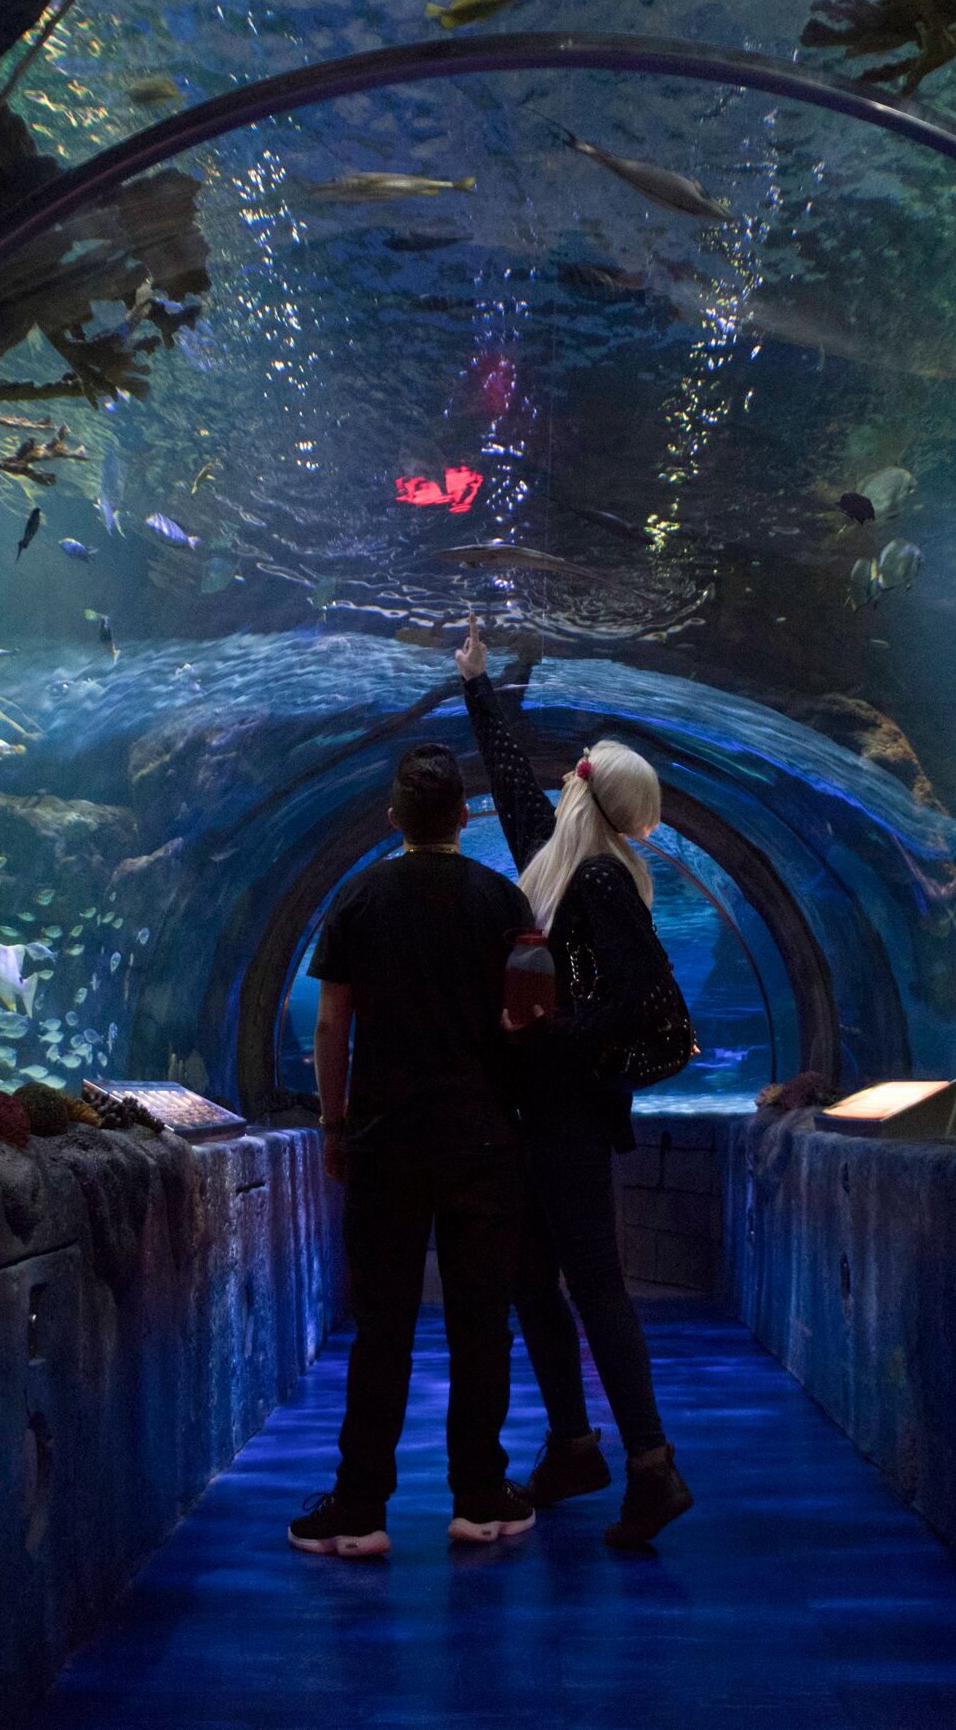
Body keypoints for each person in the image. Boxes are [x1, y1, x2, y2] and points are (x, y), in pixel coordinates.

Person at [456, 623, 697, 1548]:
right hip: (545, 1117)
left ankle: (652, 1466)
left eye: (577, 773)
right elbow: (519, 797)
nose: (565, 779)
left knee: (594, 1283)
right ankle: (573, 1444)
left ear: (589, 796)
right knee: (531, 1278)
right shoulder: (563, 865)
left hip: (566, 1120)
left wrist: (559, 1044)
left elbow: (651, 1002)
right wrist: (478, 688)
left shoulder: (598, 879)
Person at [286, 743, 541, 1560]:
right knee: (481, 1323)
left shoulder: (357, 899)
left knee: (383, 1327)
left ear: (393, 817)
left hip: (384, 1142)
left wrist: (333, 1125)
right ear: (465, 816)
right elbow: (530, 1017)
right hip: (482, 1141)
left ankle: (360, 1506)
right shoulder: (504, 900)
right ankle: (478, 1496)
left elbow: (333, 1024)